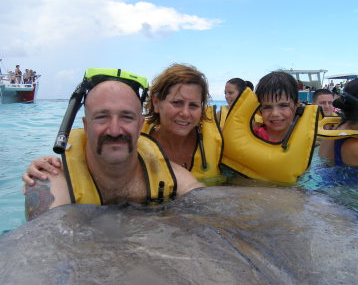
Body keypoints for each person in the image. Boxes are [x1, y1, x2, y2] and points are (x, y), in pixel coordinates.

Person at [24, 68, 203, 221]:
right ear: (86, 126)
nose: (115, 130)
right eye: (102, 117)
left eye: (126, 117)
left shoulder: (177, 179)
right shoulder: (53, 181)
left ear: (140, 125)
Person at [143, 63, 223, 182]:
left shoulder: (220, 142)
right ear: (156, 103)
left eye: (193, 105)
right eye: (177, 103)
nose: (185, 113)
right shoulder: (135, 143)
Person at [252, 71, 299, 142]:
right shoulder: (253, 137)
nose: (275, 113)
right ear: (260, 110)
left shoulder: (309, 138)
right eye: (267, 107)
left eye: (283, 105)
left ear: (296, 105)